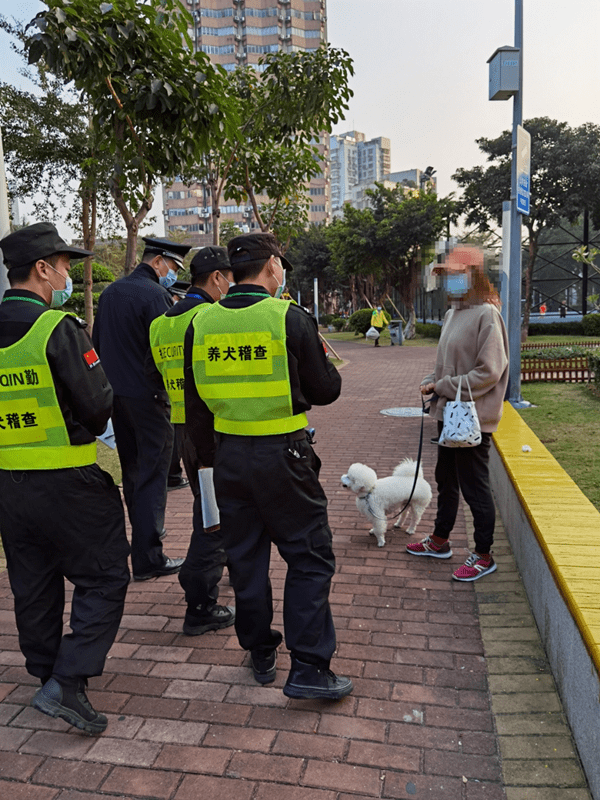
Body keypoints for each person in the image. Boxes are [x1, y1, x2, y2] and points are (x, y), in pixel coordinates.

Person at [184, 232, 353, 700]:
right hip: (285, 457)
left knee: (245, 560)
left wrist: (211, 466)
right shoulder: (288, 318)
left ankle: (260, 651)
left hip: (228, 458)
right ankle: (310, 668)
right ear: (273, 266)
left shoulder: (201, 323)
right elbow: (325, 390)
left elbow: (195, 408)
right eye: (283, 264)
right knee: (308, 557)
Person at [0, 222, 130, 735]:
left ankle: (45, 672)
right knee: (104, 576)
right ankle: (68, 680)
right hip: (69, 480)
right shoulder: (58, 329)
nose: (67, 274)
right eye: (63, 265)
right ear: (41, 269)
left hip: (9, 484)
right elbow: (98, 409)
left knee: (32, 581)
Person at [406, 244, 509, 582]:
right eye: (445, 275)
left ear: (474, 276)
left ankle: (483, 554)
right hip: (448, 414)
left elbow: (490, 371)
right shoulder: (453, 313)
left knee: (474, 486)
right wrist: (432, 382)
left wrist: (445, 385)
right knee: (446, 480)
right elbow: (447, 367)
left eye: (455, 274)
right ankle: (440, 540)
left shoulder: (487, 314)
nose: (449, 280)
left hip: (473, 419)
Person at [148, 246, 235, 635]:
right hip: (211, 428)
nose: (232, 286)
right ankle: (199, 598)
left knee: (211, 507)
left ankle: (223, 567)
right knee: (214, 517)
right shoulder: (211, 317)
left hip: (181, 427)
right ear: (217, 278)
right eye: (230, 278)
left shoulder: (160, 323)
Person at [93, 236, 190, 580]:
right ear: (160, 261)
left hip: (116, 398)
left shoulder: (109, 293)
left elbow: (97, 346)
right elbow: (164, 349)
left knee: (133, 473)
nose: (173, 275)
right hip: (150, 399)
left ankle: (141, 549)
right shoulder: (157, 297)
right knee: (153, 476)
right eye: (174, 267)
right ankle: (149, 558)